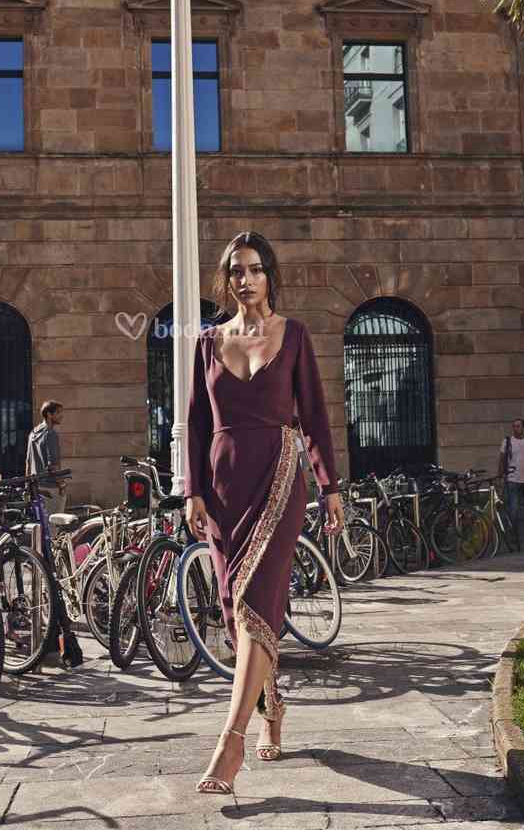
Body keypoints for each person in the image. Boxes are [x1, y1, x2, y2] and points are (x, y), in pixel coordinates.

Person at [185, 231, 345, 794]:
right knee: (236, 612)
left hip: (280, 478)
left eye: (254, 268)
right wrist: (192, 491)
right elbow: (197, 423)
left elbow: (317, 418)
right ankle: (272, 704)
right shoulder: (206, 342)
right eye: (236, 271)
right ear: (227, 280)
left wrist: (329, 487)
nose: (245, 279)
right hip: (225, 488)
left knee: (258, 600)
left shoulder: (294, 336)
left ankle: (230, 742)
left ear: (269, 275)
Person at [498, 418, 524, 544]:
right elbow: (501, 459)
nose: (515, 428)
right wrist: (500, 475)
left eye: (518, 426)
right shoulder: (507, 441)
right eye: (514, 426)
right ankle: (513, 537)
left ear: (523, 427)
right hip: (513, 480)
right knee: (513, 510)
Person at [26, 400, 67, 516]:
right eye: (58, 413)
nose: (61, 416)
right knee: (54, 525)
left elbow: (28, 462)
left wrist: (27, 486)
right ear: (49, 414)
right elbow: (53, 465)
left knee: (41, 527)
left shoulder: (33, 433)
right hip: (51, 487)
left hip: (36, 487)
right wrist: (62, 484)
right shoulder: (50, 434)